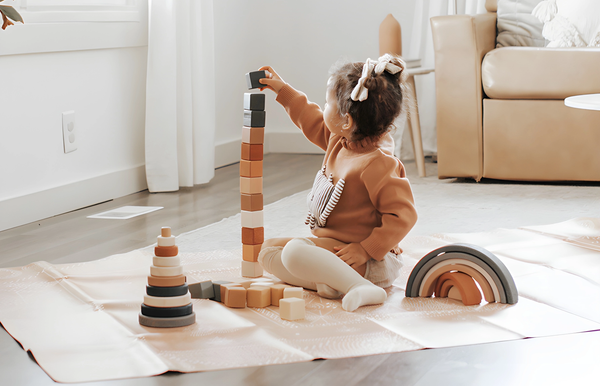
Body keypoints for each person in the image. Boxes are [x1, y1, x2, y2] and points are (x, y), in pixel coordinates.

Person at [256, 54, 418, 312]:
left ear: (346, 121)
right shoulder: (339, 140)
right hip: (338, 250)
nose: (322, 109)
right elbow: (308, 117)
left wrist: (365, 250)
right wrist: (281, 89)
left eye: (327, 103)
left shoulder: (379, 163)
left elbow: (404, 215)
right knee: (267, 252)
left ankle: (359, 286)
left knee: (293, 252)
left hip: (371, 261)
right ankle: (334, 281)